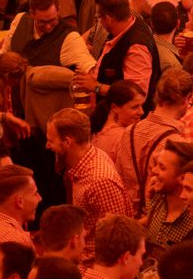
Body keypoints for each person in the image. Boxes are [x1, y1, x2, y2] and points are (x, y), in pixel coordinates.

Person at [45, 108, 131, 265]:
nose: (47, 146)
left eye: (51, 141)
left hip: (91, 267)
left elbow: (118, 241)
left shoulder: (100, 181)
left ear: (67, 142)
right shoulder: (85, 159)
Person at [113, 69, 192, 214]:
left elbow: (119, 180)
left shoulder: (129, 131)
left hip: (129, 217)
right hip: (157, 219)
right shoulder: (178, 145)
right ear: (186, 98)